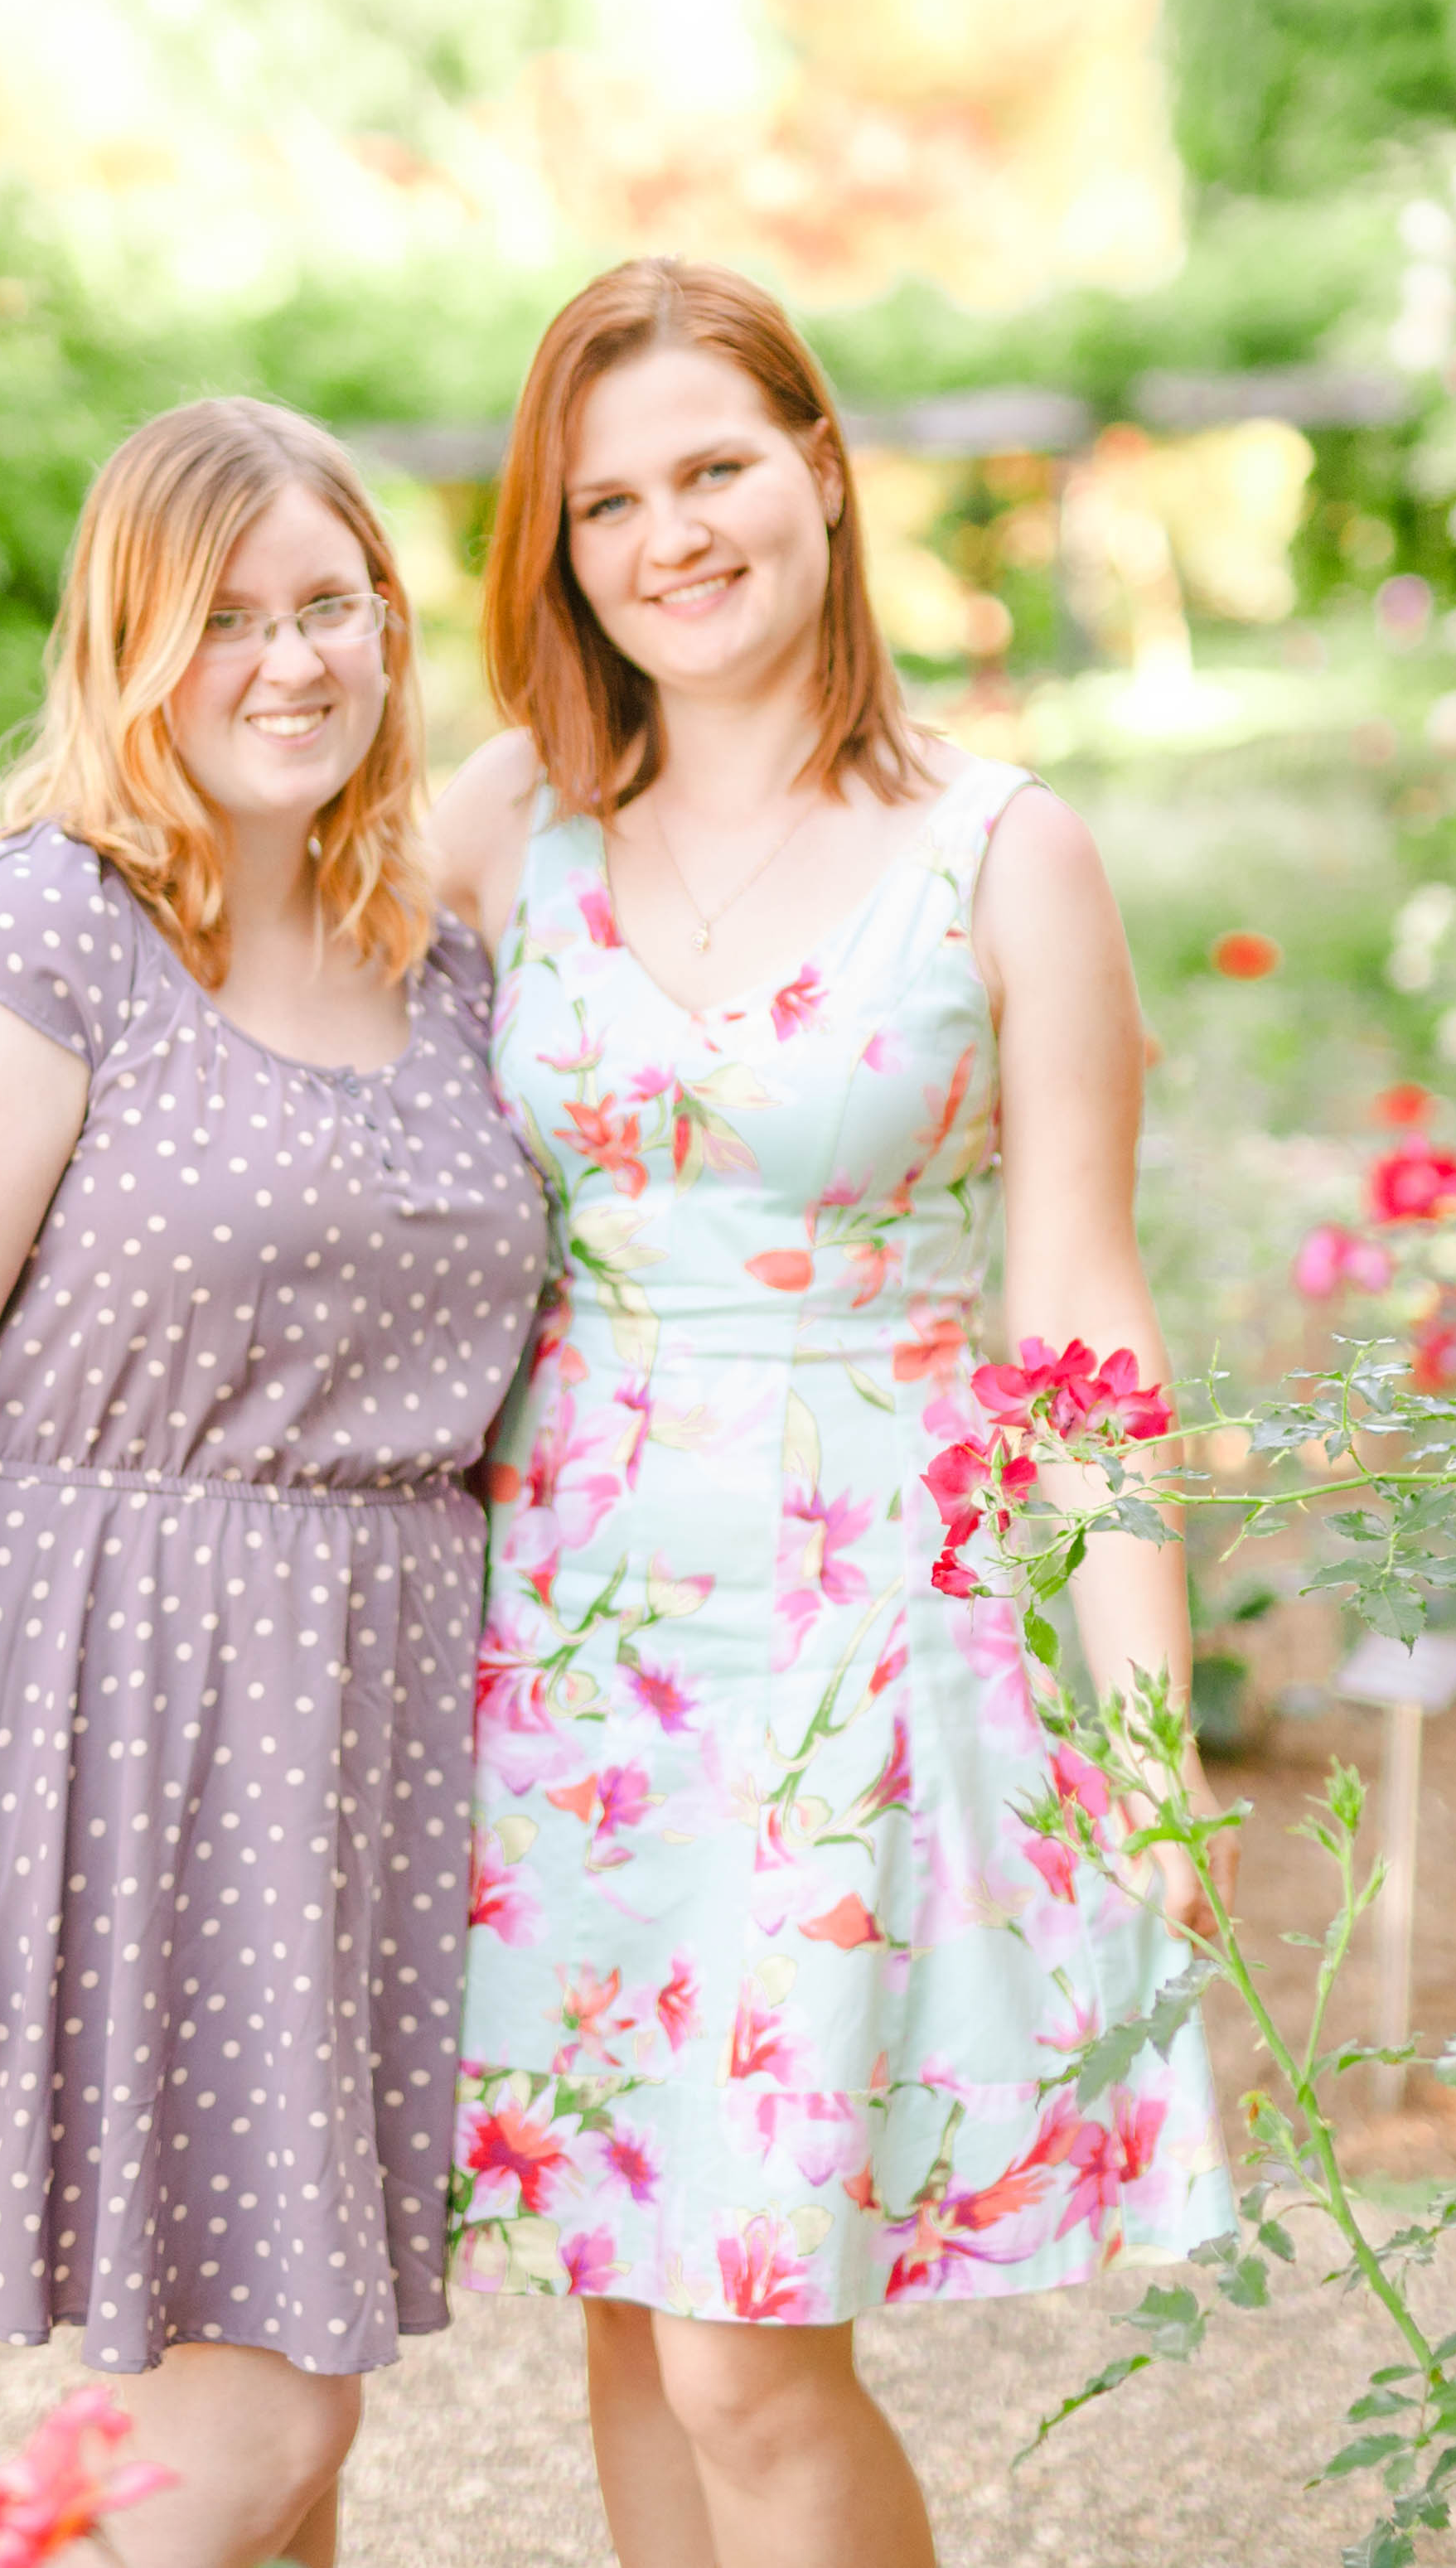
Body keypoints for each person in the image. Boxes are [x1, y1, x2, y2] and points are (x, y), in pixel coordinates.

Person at [430, 259, 1232, 2568]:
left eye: (712, 469)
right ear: (558, 552)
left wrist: (1150, 1754)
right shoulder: (509, 830)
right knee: (629, 2298)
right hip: (566, 1643)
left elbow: (1085, 1307)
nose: (667, 536)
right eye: (606, 504)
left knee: (746, 2341)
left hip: (860, 1633)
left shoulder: (1004, 853)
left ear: (823, 476)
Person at [0, 398, 554, 2568]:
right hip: (117, 1736)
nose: (289, 663)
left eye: (331, 608)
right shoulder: (38, 941)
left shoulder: (434, 964)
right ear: (124, 648)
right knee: (245, 2437)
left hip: (358, 1747)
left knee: (301, 2433)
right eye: (224, 622)